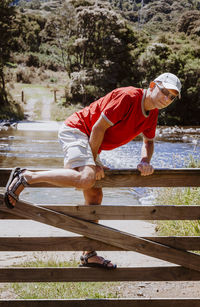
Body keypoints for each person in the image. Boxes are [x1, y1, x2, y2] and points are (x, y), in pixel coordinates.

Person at [4, 72, 181, 269]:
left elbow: (148, 141)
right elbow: (98, 128)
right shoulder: (128, 97)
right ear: (152, 85)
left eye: (172, 97)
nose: (166, 98)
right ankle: (26, 176)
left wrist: (145, 160)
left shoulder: (153, 113)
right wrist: (94, 162)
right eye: (164, 91)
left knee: (95, 196)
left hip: (90, 140)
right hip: (77, 130)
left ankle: (89, 253)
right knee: (86, 178)